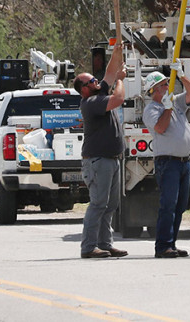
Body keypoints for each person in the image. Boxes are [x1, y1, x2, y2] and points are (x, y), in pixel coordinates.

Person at [76, 46, 129, 259]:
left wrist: (117, 53)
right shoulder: (91, 103)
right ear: (84, 90)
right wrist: (121, 80)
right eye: (91, 82)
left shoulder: (98, 93)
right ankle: (88, 247)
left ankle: (105, 244)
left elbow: (108, 73)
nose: (97, 82)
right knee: (98, 204)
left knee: (110, 205)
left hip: (111, 160)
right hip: (98, 161)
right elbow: (118, 99)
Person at [142, 69, 190, 258]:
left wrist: (182, 75)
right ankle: (163, 246)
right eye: (164, 85)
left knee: (179, 206)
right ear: (155, 91)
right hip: (168, 163)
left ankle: (171, 244)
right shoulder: (151, 110)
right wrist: (167, 108)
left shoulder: (176, 103)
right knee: (168, 204)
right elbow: (160, 127)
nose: (169, 86)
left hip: (183, 163)